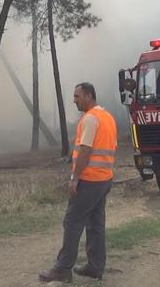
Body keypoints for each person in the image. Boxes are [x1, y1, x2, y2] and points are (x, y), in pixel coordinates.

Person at [39, 82, 118, 283]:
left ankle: (63, 268)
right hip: (104, 179)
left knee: (72, 221)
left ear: (89, 96)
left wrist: (74, 178)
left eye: (77, 96)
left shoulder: (91, 118)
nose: (74, 100)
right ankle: (95, 267)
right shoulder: (107, 117)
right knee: (96, 224)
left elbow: (85, 150)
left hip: (89, 180)